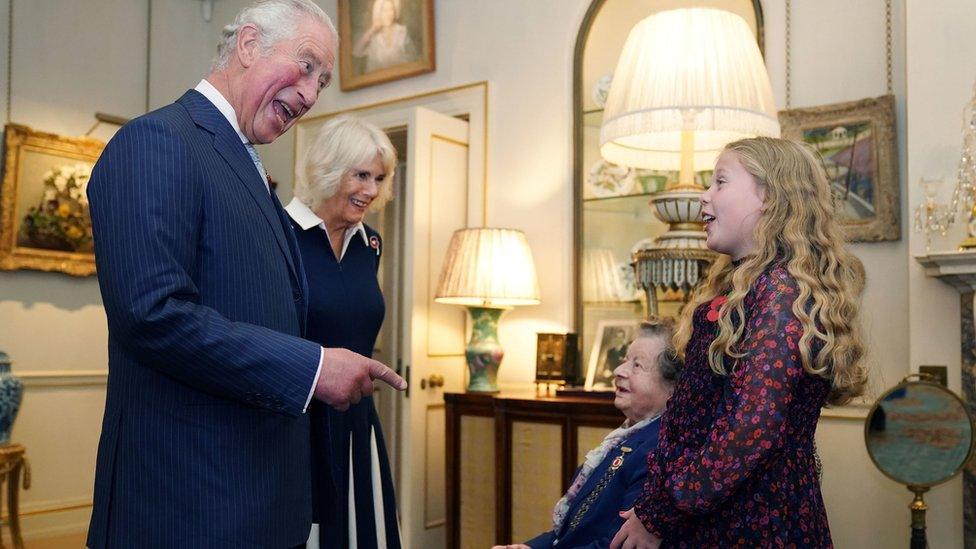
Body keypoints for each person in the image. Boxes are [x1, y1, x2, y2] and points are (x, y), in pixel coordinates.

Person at [85, 2, 406, 547]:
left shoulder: (249, 165)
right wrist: (313, 368)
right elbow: (153, 315)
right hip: (189, 508)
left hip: (258, 503)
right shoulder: (158, 141)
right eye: (306, 66)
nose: (310, 94)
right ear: (249, 44)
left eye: (323, 81)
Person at [610, 137, 867, 548]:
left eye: (720, 182)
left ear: (769, 196)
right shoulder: (748, 288)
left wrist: (660, 515)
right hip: (715, 516)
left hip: (750, 524)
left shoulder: (780, 293)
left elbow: (747, 432)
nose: (704, 196)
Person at [287, 116, 401, 549]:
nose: (371, 190)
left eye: (379, 177)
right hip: (295, 425)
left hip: (356, 424)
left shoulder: (369, 244)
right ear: (329, 169)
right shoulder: (280, 235)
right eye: (360, 175)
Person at [493, 318, 682, 549]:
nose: (618, 370)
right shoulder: (625, 437)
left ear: (673, 388)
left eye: (637, 365)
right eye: (625, 360)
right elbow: (573, 530)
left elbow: (619, 545)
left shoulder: (659, 450)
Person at [352, 0, 418, 73]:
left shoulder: (402, 32)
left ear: (395, 12)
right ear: (378, 14)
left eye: (391, 9)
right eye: (384, 10)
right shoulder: (374, 37)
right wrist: (372, 29)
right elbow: (356, 52)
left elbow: (414, 59)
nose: (388, 14)